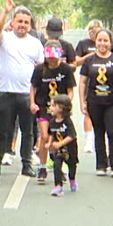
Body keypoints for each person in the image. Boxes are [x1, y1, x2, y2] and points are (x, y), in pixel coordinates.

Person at [0, 0, 45, 177]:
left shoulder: (35, 43)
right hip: (6, 92)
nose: (22, 25)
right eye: (19, 21)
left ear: (30, 25)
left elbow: (40, 69)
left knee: (28, 132)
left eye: (26, 22)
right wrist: (5, 11)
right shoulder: (4, 39)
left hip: (25, 94)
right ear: (12, 22)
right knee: (3, 130)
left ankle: (26, 164)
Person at [77, 29, 113, 177]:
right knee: (98, 132)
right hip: (94, 101)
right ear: (96, 42)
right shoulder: (89, 60)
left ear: (110, 43)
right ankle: (101, 164)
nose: (102, 43)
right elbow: (82, 82)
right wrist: (82, 101)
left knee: (112, 132)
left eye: (105, 41)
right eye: (100, 40)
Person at [31, 42, 75, 184]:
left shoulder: (66, 69)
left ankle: (58, 167)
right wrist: (32, 103)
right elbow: (33, 87)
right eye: (49, 57)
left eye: (54, 58)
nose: (51, 60)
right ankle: (42, 167)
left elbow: (70, 90)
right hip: (44, 106)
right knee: (45, 136)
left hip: (59, 109)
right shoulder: (39, 69)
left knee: (58, 139)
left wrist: (66, 104)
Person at [75, 20, 102, 153]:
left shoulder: (105, 43)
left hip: (102, 82)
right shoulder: (83, 44)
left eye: (96, 32)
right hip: (89, 81)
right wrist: (90, 55)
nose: (94, 35)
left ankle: (102, 142)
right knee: (88, 112)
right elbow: (76, 61)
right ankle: (88, 141)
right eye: (92, 32)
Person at [44, 94, 78, 196]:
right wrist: (49, 143)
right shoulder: (52, 121)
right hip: (59, 151)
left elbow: (71, 136)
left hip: (70, 149)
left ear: (61, 108)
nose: (50, 108)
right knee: (57, 165)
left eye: (53, 105)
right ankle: (58, 186)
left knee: (72, 165)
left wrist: (60, 143)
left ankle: (72, 179)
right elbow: (51, 134)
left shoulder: (67, 122)